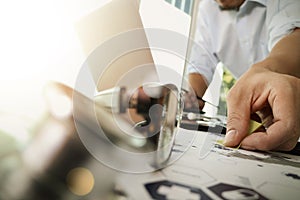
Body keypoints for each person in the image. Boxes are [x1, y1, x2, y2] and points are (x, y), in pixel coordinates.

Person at [187, 0, 300, 151]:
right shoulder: (207, 7)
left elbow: (294, 37)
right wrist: (187, 97)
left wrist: (266, 71)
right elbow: (200, 64)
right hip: (260, 123)